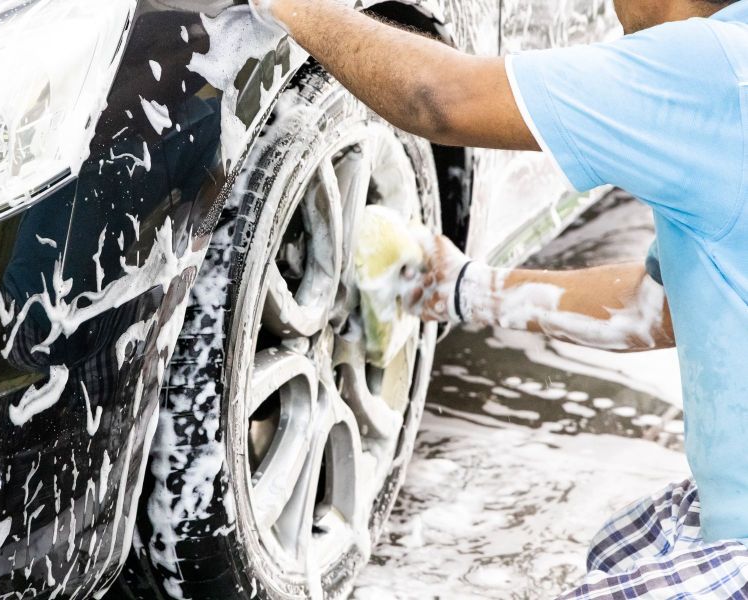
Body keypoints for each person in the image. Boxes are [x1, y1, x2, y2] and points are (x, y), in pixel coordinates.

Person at [251, 0, 748, 596]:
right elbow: (659, 311)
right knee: (620, 548)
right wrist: (461, 289)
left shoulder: (709, 70)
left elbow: (438, 98)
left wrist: (290, 6)